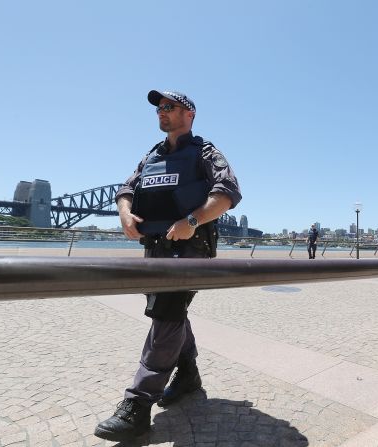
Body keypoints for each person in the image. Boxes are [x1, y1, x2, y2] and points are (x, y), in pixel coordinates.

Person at [94, 90, 242, 442]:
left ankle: (138, 404)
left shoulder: (205, 152)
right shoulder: (152, 155)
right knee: (172, 313)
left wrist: (192, 219)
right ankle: (188, 375)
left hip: (190, 248)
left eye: (169, 107)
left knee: (166, 314)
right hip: (155, 247)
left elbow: (228, 191)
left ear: (189, 114)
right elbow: (127, 187)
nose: (161, 112)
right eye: (159, 108)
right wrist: (125, 212)